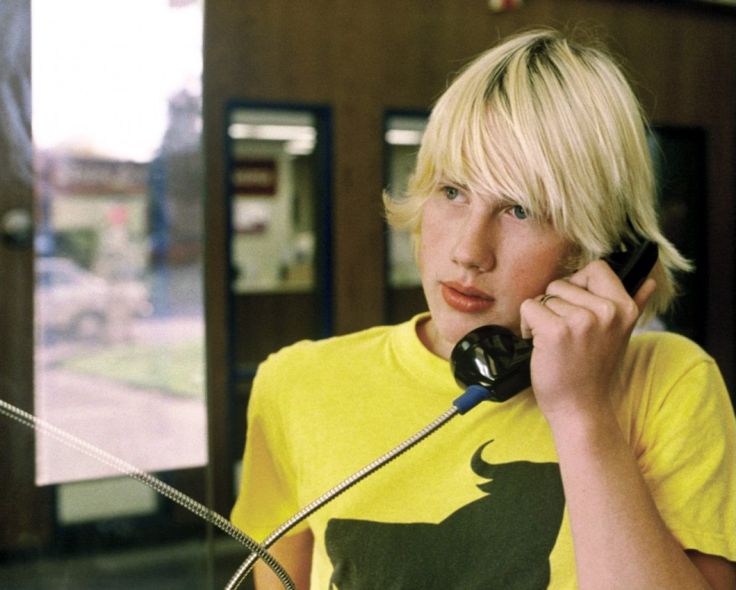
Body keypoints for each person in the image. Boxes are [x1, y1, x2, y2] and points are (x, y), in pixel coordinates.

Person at [231, 28, 736, 589]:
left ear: (602, 247)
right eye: (452, 192)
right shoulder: (296, 383)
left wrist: (580, 412)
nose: (468, 250)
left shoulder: (669, 383)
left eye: (521, 209)